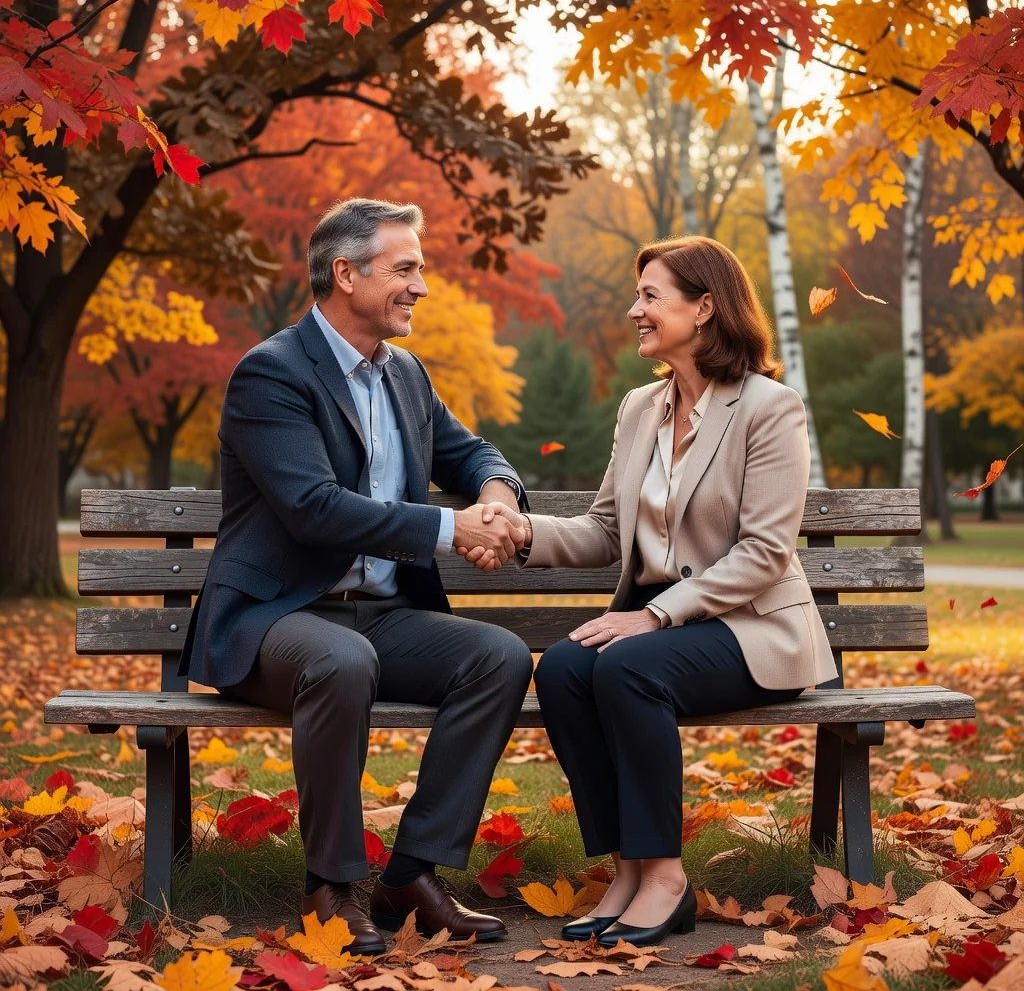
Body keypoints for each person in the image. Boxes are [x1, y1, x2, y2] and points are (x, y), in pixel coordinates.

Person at [179, 198, 534, 953]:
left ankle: (411, 874)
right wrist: (449, 527)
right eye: (406, 268)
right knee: (342, 661)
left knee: (498, 656)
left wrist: (496, 497)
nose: (422, 286)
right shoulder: (270, 374)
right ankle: (331, 886)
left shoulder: (404, 373)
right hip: (275, 616)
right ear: (346, 274)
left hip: (378, 614)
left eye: (421, 269)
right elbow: (313, 508)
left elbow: (471, 455)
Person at [464, 235, 838, 948]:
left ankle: (666, 878)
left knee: (629, 664)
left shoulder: (769, 407)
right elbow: (607, 529)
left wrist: (656, 616)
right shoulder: (641, 408)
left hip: (752, 627)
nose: (635, 310)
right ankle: (628, 868)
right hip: (665, 629)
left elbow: (764, 553)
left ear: (703, 308)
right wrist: (519, 533)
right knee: (569, 668)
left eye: (649, 296)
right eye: (638, 296)